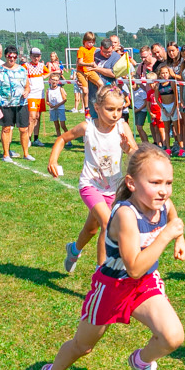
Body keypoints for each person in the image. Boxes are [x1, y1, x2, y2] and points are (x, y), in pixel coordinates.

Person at [40, 145, 185, 370]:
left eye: (168, 183)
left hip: (144, 284)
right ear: (131, 183)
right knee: (83, 347)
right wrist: (167, 236)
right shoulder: (125, 215)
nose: (164, 190)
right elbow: (133, 267)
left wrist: (180, 238)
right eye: (155, 182)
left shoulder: (163, 203)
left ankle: (142, 361)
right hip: (112, 286)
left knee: (172, 337)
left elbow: (172, 216)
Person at [50, 86, 139, 272]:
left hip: (114, 189)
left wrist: (128, 149)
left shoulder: (122, 127)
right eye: (110, 109)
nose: (115, 114)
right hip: (90, 185)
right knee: (107, 224)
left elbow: (136, 154)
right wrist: (53, 159)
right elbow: (62, 139)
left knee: (91, 229)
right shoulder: (87, 127)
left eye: (119, 109)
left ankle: (74, 250)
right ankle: (102, 275)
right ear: (97, 108)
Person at [0, 45, 32, 163]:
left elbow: (28, 86)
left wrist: (26, 92)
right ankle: (6, 154)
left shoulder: (22, 70)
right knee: (6, 129)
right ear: (6, 56)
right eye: (10, 56)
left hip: (21, 104)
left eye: (14, 56)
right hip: (5, 104)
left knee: (24, 129)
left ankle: (26, 153)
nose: (12, 59)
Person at [88, 38, 121, 117]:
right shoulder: (94, 54)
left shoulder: (116, 57)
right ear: (100, 48)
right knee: (94, 119)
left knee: (107, 118)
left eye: (109, 52)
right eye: (104, 52)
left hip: (108, 94)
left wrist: (97, 69)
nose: (107, 54)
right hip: (93, 93)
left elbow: (114, 74)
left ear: (112, 48)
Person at [24, 48, 50, 148]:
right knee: (32, 117)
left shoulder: (42, 66)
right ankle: (28, 138)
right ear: (30, 56)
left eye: (38, 56)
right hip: (31, 94)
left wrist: (43, 76)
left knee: (38, 117)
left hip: (40, 94)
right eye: (34, 56)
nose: (36, 58)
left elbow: (48, 72)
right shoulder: (26, 65)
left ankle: (36, 138)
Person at [156, 65, 182, 156]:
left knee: (177, 128)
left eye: (166, 73)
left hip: (173, 107)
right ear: (159, 75)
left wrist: (173, 109)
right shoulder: (158, 85)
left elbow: (176, 96)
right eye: (162, 73)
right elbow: (157, 99)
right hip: (164, 107)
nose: (164, 75)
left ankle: (181, 148)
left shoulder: (171, 83)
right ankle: (167, 148)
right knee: (166, 129)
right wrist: (163, 109)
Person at [76, 32, 103, 111]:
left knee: (101, 84)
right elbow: (80, 63)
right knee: (85, 90)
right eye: (89, 42)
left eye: (92, 42)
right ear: (84, 41)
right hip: (82, 71)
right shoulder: (81, 49)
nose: (90, 44)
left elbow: (101, 48)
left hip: (90, 71)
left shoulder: (94, 49)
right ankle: (86, 107)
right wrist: (90, 64)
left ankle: (98, 101)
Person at [46, 74, 69, 142]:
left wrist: (58, 105)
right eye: (53, 80)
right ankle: (59, 139)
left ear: (58, 81)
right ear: (50, 80)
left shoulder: (60, 89)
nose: (54, 81)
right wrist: (50, 105)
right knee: (56, 125)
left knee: (62, 125)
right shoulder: (48, 90)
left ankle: (68, 138)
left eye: (56, 80)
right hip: (53, 109)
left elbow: (65, 99)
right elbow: (47, 101)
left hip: (60, 108)